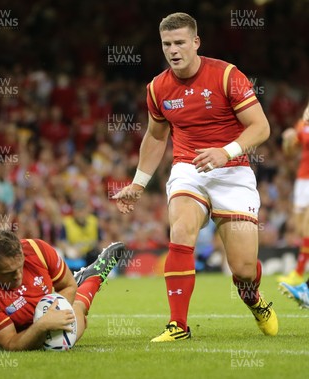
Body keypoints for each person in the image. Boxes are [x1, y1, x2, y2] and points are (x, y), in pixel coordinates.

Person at [112, 12, 277, 342]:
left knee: (244, 270)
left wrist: (225, 151)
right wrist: (139, 183)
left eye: (180, 43)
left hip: (233, 172)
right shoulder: (158, 88)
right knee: (182, 228)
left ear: (196, 42)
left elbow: (261, 127)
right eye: (167, 44)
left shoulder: (227, 75)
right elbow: (157, 137)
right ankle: (178, 326)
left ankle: (253, 299)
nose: (173, 50)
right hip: (189, 169)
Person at [0, 230, 123, 351]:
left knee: (69, 322)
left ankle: (92, 279)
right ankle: (92, 278)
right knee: (61, 339)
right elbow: (11, 343)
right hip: (20, 332)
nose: (18, 276)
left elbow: (68, 286)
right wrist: (41, 325)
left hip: (48, 308)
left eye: (20, 267)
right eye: (9, 273)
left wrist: (57, 313)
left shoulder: (37, 249)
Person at [278, 103, 309, 285]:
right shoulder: (302, 125)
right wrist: (288, 139)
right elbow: (289, 151)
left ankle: (298, 272)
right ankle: (299, 271)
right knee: (299, 230)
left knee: (307, 228)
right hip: (301, 180)